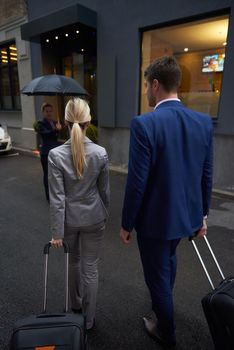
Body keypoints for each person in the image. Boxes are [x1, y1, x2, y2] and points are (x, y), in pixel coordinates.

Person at [120, 56, 213, 349]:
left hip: (155, 222)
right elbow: (206, 174)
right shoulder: (202, 121)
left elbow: (137, 182)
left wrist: (126, 224)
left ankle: (166, 333)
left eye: (147, 84)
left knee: (157, 277)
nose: (146, 90)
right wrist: (203, 216)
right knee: (168, 262)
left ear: (156, 85)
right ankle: (165, 304)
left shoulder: (144, 124)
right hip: (186, 218)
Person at [48, 98, 110, 331]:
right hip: (94, 216)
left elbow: (57, 196)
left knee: (72, 262)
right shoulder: (100, 153)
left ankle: (74, 306)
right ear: (89, 121)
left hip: (69, 220)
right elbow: (104, 191)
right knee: (90, 268)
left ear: (64, 122)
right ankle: (89, 320)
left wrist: (57, 232)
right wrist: (105, 214)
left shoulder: (55, 155)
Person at [37, 103, 62, 202]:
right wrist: (56, 129)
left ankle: (56, 195)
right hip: (46, 152)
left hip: (55, 152)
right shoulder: (40, 123)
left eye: (50, 111)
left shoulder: (55, 122)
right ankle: (49, 197)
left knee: (56, 175)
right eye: (46, 111)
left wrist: (59, 129)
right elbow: (46, 134)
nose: (49, 113)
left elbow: (55, 137)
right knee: (47, 175)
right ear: (43, 112)